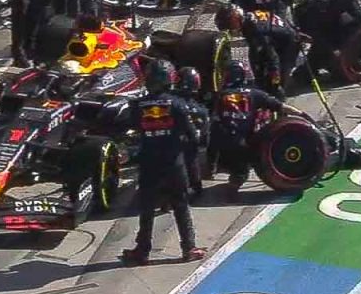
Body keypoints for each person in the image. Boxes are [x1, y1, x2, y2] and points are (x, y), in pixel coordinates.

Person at [124, 59, 206, 264]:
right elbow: (193, 136)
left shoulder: (137, 105)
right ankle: (189, 247)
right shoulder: (177, 104)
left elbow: (131, 128)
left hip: (148, 161)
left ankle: (142, 250)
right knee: (180, 204)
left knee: (147, 206)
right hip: (173, 161)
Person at [209, 59, 310, 190]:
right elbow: (280, 106)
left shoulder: (219, 96)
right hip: (245, 145)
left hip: (222, 143)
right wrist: (302, 114)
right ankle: (237, 178)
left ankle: (212, 167)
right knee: (243, 168)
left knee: (215, 132)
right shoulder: (255, 94)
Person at [216, 3, 302, 97]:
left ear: (235, 20)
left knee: (276, 81)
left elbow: (272, 56)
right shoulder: (248, 18)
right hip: (278, 34)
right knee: (256, 60)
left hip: (288, 43)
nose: (230, 30)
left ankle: (278, 97)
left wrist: (275, 76)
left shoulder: (255, 30)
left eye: (230, 27)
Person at [173, 66, 210, 198]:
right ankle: (195, 186)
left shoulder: (170, 102)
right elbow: (204, 135)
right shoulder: (200, 110)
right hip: (187, 146)